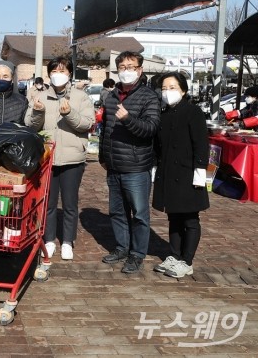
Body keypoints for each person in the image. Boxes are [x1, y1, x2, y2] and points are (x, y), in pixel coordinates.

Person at [24, 57, 95, 260]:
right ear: (49, 74)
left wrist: (70, 113)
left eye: (63, 71)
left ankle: (67, 241)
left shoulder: (81, 97)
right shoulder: (40, 96)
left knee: (70, 203)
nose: (58, 74)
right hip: (48, 157)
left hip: (73, 158)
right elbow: (30, 125)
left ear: (70, 73)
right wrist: (38, 112)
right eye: (54, 71)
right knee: (48, 202)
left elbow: (87, 123)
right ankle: (48, 239)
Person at [99, 51, 160, 274]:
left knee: (140, 214)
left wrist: (128, 119)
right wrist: (103, 157)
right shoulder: (111, 96)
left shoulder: (149, 97)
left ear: (140, 70)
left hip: (136, 167)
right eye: (122, 67)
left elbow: (150, 129)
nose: (127, 71)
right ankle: (122, 247)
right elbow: (105, 129)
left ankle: (137, 254)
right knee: (116, 211)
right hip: (114, 165)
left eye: (131, 66)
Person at [152, 72, 209, 278]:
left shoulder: (193, 112)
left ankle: (187, 260)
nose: (167, 92)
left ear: (183, 90)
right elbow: (158, 146)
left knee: (190, 219)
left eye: (172, 88)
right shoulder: (164, 114)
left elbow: (201, 144)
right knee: (173, 217)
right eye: (164, 88)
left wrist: (200, 171)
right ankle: (174, 256)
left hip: (189, 172)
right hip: (168, 172)